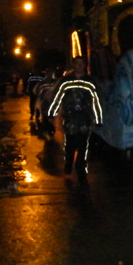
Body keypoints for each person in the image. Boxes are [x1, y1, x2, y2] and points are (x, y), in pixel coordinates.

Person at [47, 57, 102, 188]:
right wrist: (51, 113)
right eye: (77, 63)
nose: (79, 66)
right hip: (70, 119)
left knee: (83, 146)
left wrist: (98, 118)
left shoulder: (90, 81)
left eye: (81, 63)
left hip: (84, 119)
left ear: (84, 65)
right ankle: (68, 164)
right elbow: (57, 98)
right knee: (70, 144)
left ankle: (81, 171)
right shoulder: (65, 81)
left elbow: (96, 101)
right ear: (73, 65)